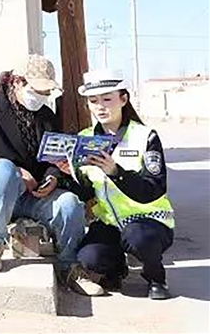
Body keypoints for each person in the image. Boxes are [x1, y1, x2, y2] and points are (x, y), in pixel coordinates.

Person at [0, 55, 104, 296]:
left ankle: (70, 266)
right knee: (4, 168)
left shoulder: (46, 115)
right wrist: (16, 172)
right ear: (17, 82)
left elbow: (53, 158)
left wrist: (52, 177)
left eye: (46, 93)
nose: (41, 97)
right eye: (37, 91)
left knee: (69, 203)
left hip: (34, 195)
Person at [65, 69, 175, 300]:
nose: (100, 107)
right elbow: (86, 192)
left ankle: (156, 277)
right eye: (93, 101)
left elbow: (155, 188)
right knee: (89, 258)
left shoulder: (145, 136)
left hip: (148, 222)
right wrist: (71, 174)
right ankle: (116, 269)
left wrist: (116, 172)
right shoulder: (85, 138)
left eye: (107, 99)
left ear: (123, 99)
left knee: (138, 237)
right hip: (110, 223)